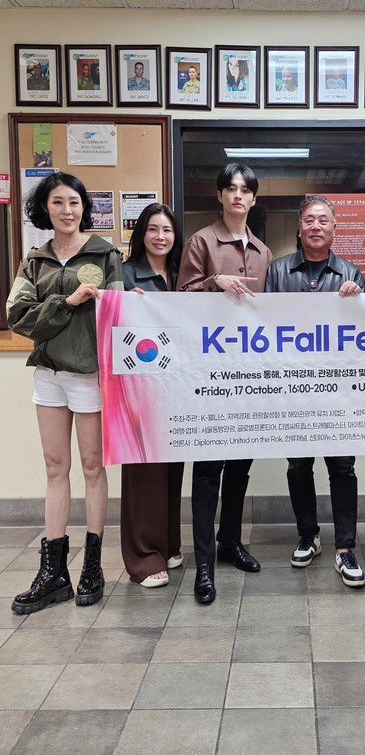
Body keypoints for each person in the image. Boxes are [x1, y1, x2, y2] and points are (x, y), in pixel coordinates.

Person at [6, 173, 123, 614]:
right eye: (57, 202)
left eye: (73, 202)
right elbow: (19, 316)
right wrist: (67, 303)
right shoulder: (35, 261)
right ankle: (53, 573)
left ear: (84, 207)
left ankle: (93, 566)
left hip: (89, 373)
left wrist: (116, 303)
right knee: (55, 468)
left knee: (92, 467)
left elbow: (117, 316)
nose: (67, 210)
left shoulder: (105, 254)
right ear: (45, 209)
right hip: (49, 373)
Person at [178, 164, 273, 604]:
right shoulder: (201, 241)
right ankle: (203, 562)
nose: (238, 195)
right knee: (207, 471)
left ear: (253, 198)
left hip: (249, 373)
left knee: (239, 466)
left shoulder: (263, 251)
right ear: (220, 195)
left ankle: (230, 541)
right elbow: (180, 299)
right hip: (208, 375)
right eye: (230, 188)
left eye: (245, 190)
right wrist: (214, 282)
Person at [265, 195, 365, 588]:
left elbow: (363, 333)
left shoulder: (350, 273)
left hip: (338, 390)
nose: (316, 226)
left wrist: (359, 300)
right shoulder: (278, 271)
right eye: (309, 219)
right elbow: (265, 328)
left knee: (342, 468)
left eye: (324, 220)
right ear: (299, 226)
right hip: (294, 389)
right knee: (298, 466)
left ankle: (345, 548)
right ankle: (308, 536)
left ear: (335, 228)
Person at [120, 203, 185, 588]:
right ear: (141, 234)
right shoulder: (126, 274)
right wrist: (127, 304)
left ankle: (168, 544)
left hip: (177, 385)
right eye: (153, 229)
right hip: (140, 387)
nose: (161, 237)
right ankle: (143, 557)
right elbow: (110, 323)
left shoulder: (181, 274)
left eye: (167, 230)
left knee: (171, 467)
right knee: (144, 470)